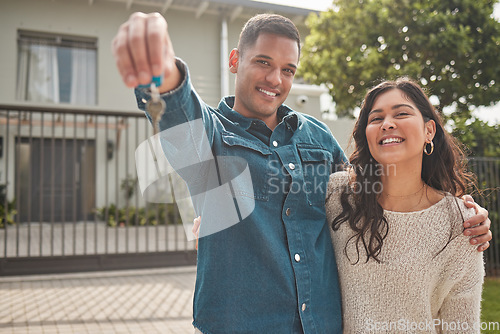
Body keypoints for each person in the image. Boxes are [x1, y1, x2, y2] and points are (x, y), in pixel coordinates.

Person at [111, 12, 492, 333]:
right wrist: (163, 76)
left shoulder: (317, 136)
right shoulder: (213, 136)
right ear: (234, 60)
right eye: (263, 62)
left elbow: (369, 201)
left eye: (287, 69)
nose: (275, 80)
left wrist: (460, 212)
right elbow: (181, 121)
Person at [326, 78, 485, 333]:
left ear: (429, 131)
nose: (387, 124)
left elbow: (461, 327)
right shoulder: (337, 196)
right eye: (376, 119)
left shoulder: (463, 223)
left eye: (401, 113)